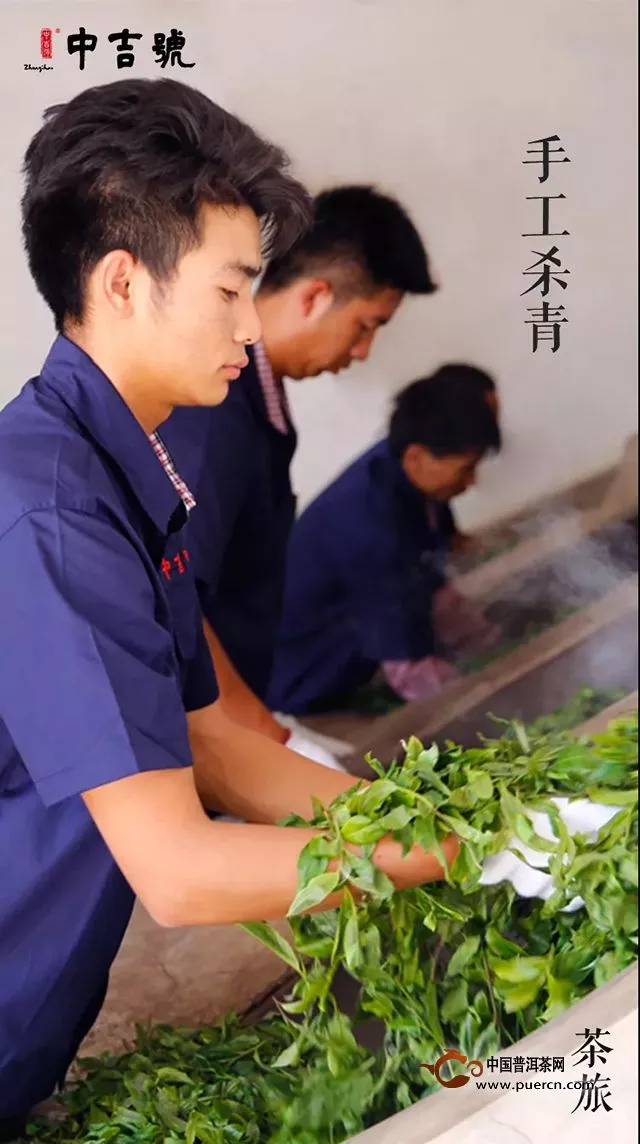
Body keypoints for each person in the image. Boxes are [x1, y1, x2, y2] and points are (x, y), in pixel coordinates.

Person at [0, 79, 457, 1135]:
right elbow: (177, 871)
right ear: (123, 281)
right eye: (230, 289)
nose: (251, 327)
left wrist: (426, 822)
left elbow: (214, 741)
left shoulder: (125, 471)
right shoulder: (54, 508)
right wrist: (457, 857)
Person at [160, 185, 437, 749]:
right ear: (314, 296)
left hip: (239, 711)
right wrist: (265, 739)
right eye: (366, 326)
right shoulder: (217, 412)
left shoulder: (256, 399)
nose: (362, 352)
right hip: (202, 733)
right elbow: (174, 598)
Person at [266, 367, 502, 715]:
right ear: (416, 457)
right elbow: (409, 667)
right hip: (308, 677)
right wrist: (485, 703)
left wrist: (482, 640)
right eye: (464, 469)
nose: (472, 482)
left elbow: (431, 580)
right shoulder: (368, 531)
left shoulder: (402, 471)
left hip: (356, 638)